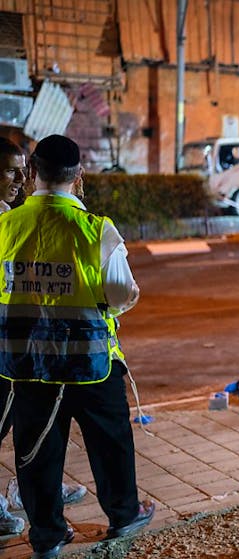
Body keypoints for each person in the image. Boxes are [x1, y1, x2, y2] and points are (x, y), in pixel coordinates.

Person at [0, 135, 155, 558]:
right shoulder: (96, 229)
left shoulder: (5, 226)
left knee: (35, 451)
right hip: (90, 365)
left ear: (33, 174)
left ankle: (47, 536)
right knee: (110, 442)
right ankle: (124, 514)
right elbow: (122, 293)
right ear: (79, 177)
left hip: (28, 365)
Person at [0, 138, 89, 538]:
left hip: (16, 344)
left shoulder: (9, 215)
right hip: (7, 345)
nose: (21, 179)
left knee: (26, 422)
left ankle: (33, 488)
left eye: (24, 170)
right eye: (11, 171)